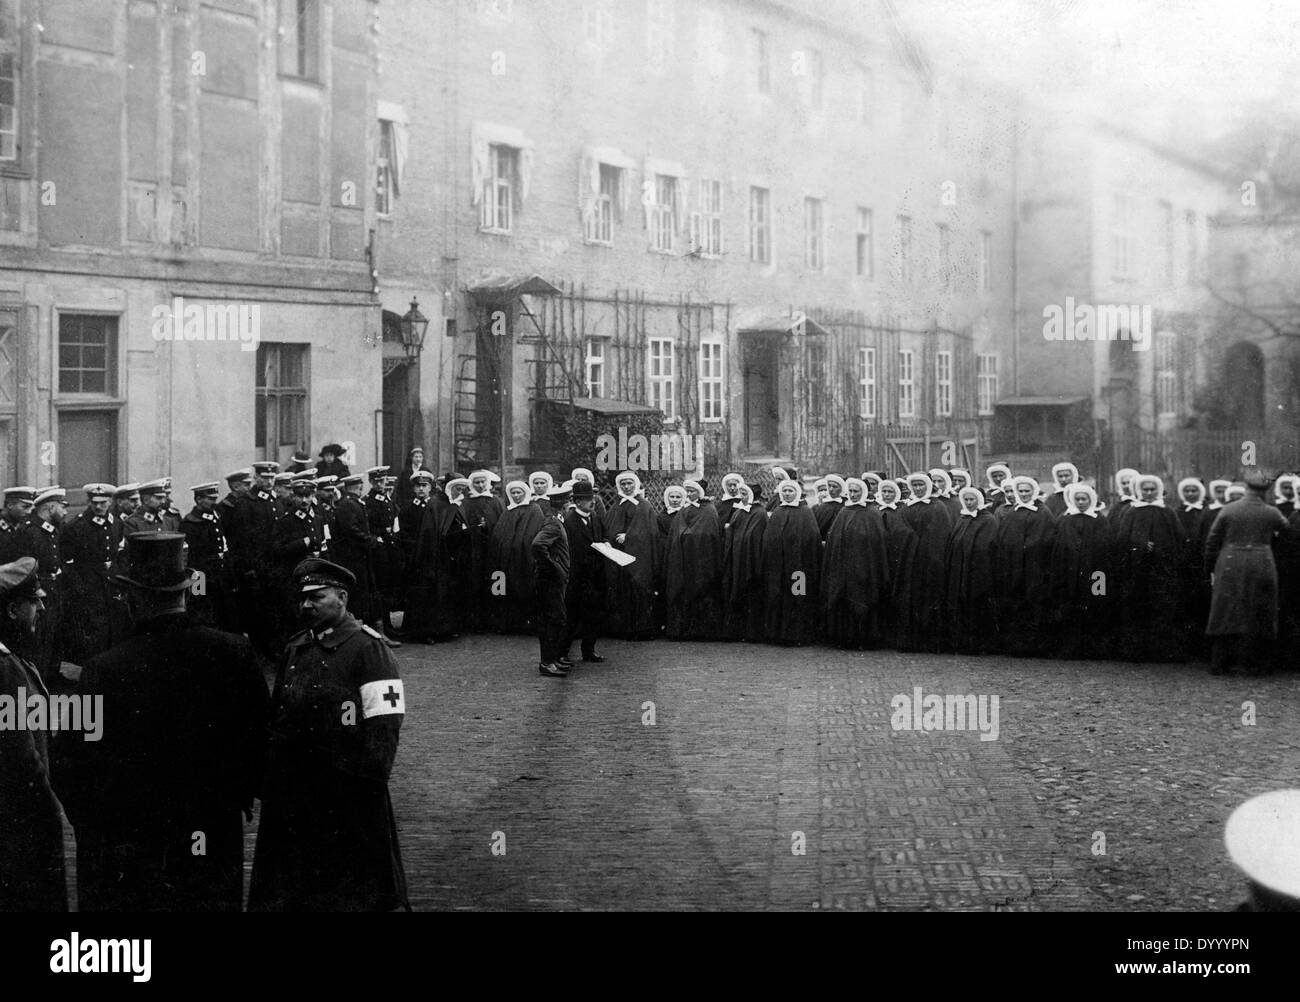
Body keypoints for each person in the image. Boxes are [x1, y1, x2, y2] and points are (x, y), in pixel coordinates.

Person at [55, 533, 269, 911]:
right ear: (186, 593)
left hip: (133, 837)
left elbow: (69, 762)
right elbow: (262, 741)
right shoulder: (233, 652)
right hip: (212, 827)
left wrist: (96, 824)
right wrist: (237, 793)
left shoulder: (104, 669)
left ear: (133, 599)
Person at [249, 558, 408, 911]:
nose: (307, 605)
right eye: (303, 598)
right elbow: (279, 716)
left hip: (346, 790)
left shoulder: (369, 649)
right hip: (294, 791)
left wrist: (369, 782)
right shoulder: (296, 647)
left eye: (317, 597)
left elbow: (385, 724)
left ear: (342, 597)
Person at [0, 558, 66, 911]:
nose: (41, 608)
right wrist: (51, 811)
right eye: (33, 601)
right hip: (21, 828)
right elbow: (22, 756)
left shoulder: (14, 660)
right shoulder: (6, 669)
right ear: (12, 611)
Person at [1204, 470, 1290, 676]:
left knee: (1226, 609)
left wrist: (1210, 567)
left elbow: (1212, 540)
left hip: (1230, 561)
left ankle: (1220, 663)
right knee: (1261, 610)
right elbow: (1288, 532)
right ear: (1266, 490)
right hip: (1262, 560)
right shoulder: (1272, 512)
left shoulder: (1228, 510)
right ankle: (1259, 665)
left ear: (1246, 488)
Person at [1112, 473, 1191, 662]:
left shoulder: (1168, 512)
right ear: (1139, 491)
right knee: (1137, 608)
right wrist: (1140, 545)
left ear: (1158, 490)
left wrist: (1161, 548)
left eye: (1152, 489)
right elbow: (1122, 540)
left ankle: (1162, 650)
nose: (1148, 493)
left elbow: (1179, 539)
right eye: (1145, 489)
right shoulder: (1132, 512)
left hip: (1162, 570)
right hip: (1137, 570)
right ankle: (1137, 650)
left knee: (1163, 608)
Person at [1047, 483, 1115, 659]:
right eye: (1077, 499)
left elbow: (1106, 547)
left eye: (1084, 499)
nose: (1081, 502)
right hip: (1070, 573)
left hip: (1095, 574)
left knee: (1095, 605)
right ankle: (1070, 647)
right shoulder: (1065, 519)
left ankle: (1094, 647)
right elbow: (1058, 547)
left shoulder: (1099, 520)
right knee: (1070, 606)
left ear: (1091, 500)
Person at [991, 476, 1056, 657]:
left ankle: (1034, 645)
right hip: (1014, 567)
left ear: (1033, 491)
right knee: (1015, 604)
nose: (1024, 494)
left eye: (1027, 491)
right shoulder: (1013, 511)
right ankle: (1015, 644)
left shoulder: (1042, 513)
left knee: (1033, 604)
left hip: (1034, 568)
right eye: (1021, 491)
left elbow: (1044, 540)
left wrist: (1025, 549)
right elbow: (1003, 537)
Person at [59, 483, 125, 661]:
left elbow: (120, 554)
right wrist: (79, 587)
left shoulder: (117, 523)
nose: (98, 506)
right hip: (88, 584)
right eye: (94, 502)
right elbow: (67, 562)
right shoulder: (77, 526)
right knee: (94, 630)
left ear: (110, 502)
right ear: (89, 502)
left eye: (103, 502)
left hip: (111, 583)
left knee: (114, 625)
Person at [822, 478, 890, 649]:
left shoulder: (872, 513)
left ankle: (865, 639)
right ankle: (845, 638)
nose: (852, 495)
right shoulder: (844, 511)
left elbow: (877, 543)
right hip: (844, 568)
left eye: (856, 491)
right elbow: (833, 539)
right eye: (850, 491)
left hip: (865, 567)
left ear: (864, 492)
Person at [403, 476, 470, 643]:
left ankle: (445, 629)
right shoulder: (436, 503)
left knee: (445, 593)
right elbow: (430, 533)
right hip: (432, 556)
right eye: (457, 488)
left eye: (462, 489)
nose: (460, 492)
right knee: (430, 594)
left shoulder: (454, 503)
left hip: (447, 556)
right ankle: (427, 632)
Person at [761, 478, 823, 646]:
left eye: (791, 491)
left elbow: (812, 538)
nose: (787, 494)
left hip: (799, 569)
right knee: (777, 595)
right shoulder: (778, 511)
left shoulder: (805, 513)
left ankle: (798, 635)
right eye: (785, 491)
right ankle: (776, 633)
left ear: (797, 493)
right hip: (778, 567)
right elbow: (769, 538)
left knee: (798, 595)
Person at [897, 472, 953, 653]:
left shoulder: (937, 507)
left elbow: (939, 534)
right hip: (910, 562)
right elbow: (900, 529)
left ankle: (930, 641)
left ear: (928, 486)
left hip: (929, 561)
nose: (918, 488)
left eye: (921, 485)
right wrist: (910, 537)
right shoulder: (906, 507)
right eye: (915, 485)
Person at [603, 472, 662, 639]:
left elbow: (649, 532)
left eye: (629, 483)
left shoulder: (644, 506)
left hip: (638, 558)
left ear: (635, 484)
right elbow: (608, 527)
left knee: (637, 589)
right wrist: (608, 540)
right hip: (619, 556)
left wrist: (628, 537)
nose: (627, 487)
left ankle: (640, 630)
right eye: (623, 484)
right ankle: (621, 629)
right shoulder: (617, 506)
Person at [664, 479, 724, 641]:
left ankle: (702, 631)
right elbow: (675, 530)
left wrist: (687, 536)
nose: (690, 494)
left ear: (700, 492)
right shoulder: (684, 509)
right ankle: (681, 630)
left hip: (701, 559)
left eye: (693, 491)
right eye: (688, 491)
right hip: (683, 558)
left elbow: (708, 533)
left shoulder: (709, 510)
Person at [483, 481, 544, 634]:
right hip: (506, 559)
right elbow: (498, 534)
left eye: (519, 492)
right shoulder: (508, 511)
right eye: (513, 493)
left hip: (522, 557)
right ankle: (507, 623)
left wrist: (516, 546)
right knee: (504, 588)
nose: (516, 496)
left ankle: (526, 624)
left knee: (523, 587)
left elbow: (530, 534)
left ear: (525, 493)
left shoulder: (534, 510)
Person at [16, 487, 66, 674]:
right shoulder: (29, 530)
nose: (65, 511)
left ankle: (51, 678)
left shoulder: (52, 529)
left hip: (54, 588)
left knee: (53, 635)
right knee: (39, 638)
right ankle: (37, 681)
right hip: (38, 590)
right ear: (51, 507)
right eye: (62, 506)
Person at [944, 486, 999, 655]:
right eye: (966, 500)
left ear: (979, 500)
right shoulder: (962, 518)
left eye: (972, 500)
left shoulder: (988, 520)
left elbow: (985, 547)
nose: (968, 503)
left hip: (977, 571)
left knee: (977, 607)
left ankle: (979, 645)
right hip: (960, 570)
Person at [562, 479, 607, 663]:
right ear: (578, 502)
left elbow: (603, 535)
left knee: (593, 616)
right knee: (572, 617)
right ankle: (563, 653)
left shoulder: (594, 517)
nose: (593, 501)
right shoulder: (569, 521)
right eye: (588, 499)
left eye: (593, 497)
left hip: (595, 576)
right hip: (577, 577)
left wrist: (606, 543)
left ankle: (588, 650)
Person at [179, 482, 233, 631]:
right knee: (201, 610)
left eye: (215, 498)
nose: (214, 502)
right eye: (210, 499)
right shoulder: (190, 523)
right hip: (201, 576)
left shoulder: (215, 517)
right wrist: (197, 582)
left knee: (222, 610)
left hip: (219, 574)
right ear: (198, 500)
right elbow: (192, 557)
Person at [531, 483, 572, 676]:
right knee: (553, 620)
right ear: (564, 504)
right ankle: (547, 663)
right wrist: (554, 567)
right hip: (549, 581)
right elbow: (537, 545)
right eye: (569, 501)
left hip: (552, 580)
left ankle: (552, 659)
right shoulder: (553, 523)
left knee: (556, 619)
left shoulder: (555, 520)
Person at [721, 484, 767, 642]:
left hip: (750, 560)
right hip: (736, 558)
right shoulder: (739, 512)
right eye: (740, 493)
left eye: (744, 494)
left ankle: (751, 632)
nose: (741, 497)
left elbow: (755, 538)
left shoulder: (760, 513)